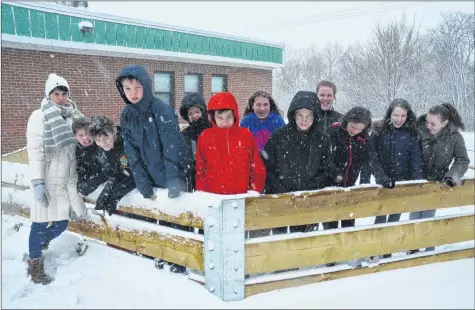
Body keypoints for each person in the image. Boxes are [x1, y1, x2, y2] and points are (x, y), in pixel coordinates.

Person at [26, 73, 87, 284]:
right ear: (49, 95)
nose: (61, 98)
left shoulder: (74, 116)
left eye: (64, 93)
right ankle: (35, 265)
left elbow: (84, 141)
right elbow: (35, 151)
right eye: (56, 94)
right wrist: (37, 182)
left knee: (61, 223)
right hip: (47, 179)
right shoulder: (39, 116)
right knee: (40, 223)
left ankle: (39, 244)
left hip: (66, 180)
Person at [262, 90, 335, 235]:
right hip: (281, 199)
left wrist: (308, 190)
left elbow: (326, 169)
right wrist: (280, 190)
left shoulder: (323, 139)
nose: (304, 120)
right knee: (280, 241)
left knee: (304, 241)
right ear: (293, 115)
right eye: (300, 115)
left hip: (308, 200)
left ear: (315, 117)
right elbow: (267, 168)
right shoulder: (278, 136)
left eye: (309, 116)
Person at [116, 65, 193, 200]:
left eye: (137, 88)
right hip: (152, 181)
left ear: (145, 86)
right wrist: (143, 184)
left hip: (176, 179)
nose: (133, 93)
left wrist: (173, 184)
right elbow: (132, 153)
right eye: (127, 88)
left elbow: (172, 149)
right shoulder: (126, 116)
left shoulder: (162, 111)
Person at [408, 103, 469, 254]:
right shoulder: (419, 131)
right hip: (417, 182)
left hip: (436, 183)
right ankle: (412, 248)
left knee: (428, 216)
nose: (429, 126)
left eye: (433, 123)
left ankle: (429, 250)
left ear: (445, 123)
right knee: (414, 215)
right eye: (427, 122)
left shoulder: (454, 138)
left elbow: (462, 160)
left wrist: (451, 176)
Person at [323, 107, 394, 230]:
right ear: (347, 121)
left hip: (350, 190)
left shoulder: (363, 140)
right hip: (330, 189)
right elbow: (324, 159)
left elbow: (372, 161)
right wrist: (335, 173)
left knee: (349, 227)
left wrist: (384, 179)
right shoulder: (333, 133)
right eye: (353, 127)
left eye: (359, 129)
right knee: (330, 227)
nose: (354, 131)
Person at [360, 99, 423, 221]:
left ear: (408, 115)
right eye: (396, 115)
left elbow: (415, 160)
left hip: (402, 181)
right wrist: (365, 181)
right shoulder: (379, 130)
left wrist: (418, 182)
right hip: (382, 180)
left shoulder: (412, 133)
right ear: (390, 114)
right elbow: (369, 157)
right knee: (380, 216)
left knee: (395, 215)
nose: (399, 119)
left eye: (403, 115)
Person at [195, 92, 266, 195]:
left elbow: (257, 167)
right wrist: (202, 194)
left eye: (229, 117)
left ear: (235, 115)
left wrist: (253, 191)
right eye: (220, 118)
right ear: (213, 117)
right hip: (213, 198)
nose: (225, 122)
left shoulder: (245, 135)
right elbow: (200, 170)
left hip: (241, 197)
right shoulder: (205, 137)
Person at [87, 115, 136, 216]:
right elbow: (110, 172)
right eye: (97, 140)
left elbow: (131, 176)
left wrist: (110, 201)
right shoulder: (103, 149)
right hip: (124, 193)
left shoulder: (127, 145)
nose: (102, 143)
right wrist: (86, 188)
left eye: (105, 138)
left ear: (114, 131)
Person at [73, 117, 108, 196]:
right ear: (75, 136)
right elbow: (82, 170)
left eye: (88, 133)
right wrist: (80, 186)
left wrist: (90, 186)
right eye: (81, 135)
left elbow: (109, 170)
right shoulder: (79, 151)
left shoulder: (103, 145)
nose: (85, 137)